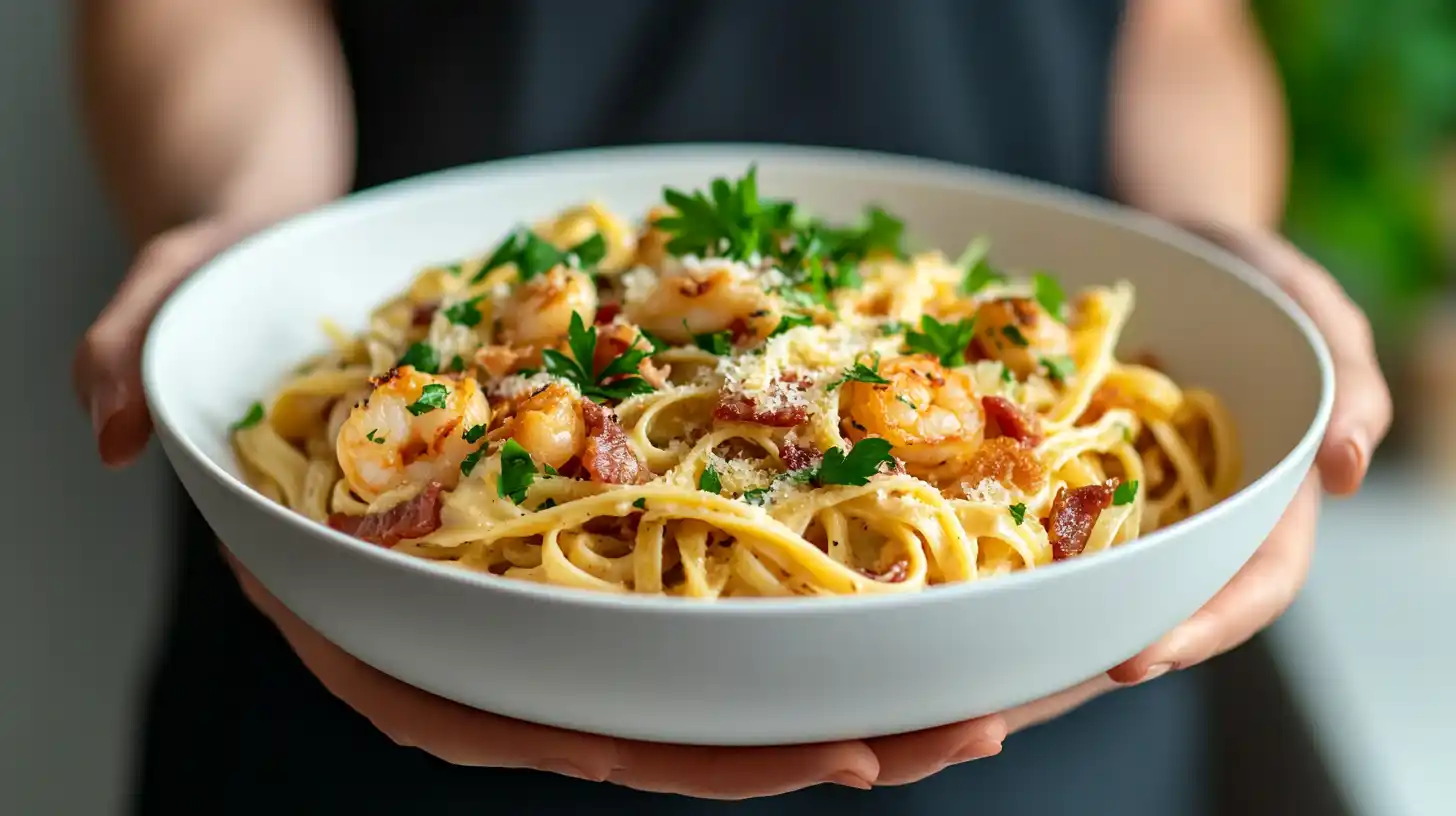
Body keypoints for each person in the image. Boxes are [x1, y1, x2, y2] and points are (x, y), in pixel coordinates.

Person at [73, 1, 1391, 813]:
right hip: (365, 684)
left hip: (1046, 689)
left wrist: (1208, 251)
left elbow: (1179, 26)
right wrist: (246, 227)